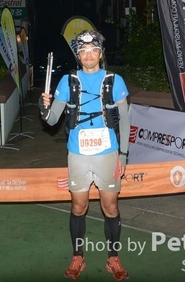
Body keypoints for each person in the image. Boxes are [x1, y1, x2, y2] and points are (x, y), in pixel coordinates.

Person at [39, 30, 130, 281]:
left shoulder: (115, 81)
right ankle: (78, 257)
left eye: (93, 50)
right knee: (78, 206)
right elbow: (52, 120)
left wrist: (123, 155)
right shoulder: (67, 82)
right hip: (78, 154)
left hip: (107, 153)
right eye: (83, 51)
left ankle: (113, 258)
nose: (88, 55)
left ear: (100, 54)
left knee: (110, 206)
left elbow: (125, 119)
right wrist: (43, 106)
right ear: (78, 56)